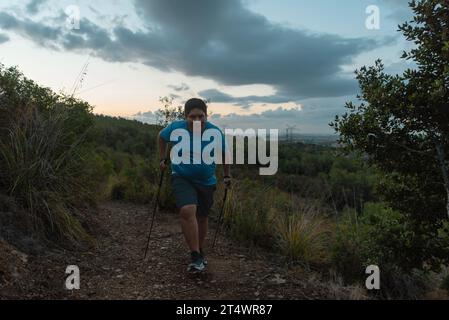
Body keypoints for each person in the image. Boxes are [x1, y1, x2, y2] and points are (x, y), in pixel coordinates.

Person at [158, 98, 231, 272]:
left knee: (202, 217)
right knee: (187, 210)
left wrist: (227, 176)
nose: (197, 120)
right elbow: (161, 137)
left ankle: (199, 249)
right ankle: (195, 255)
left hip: (206, 181)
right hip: (181, 176)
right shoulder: (176, 128)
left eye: (201, 116)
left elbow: (225, 153)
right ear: (186, 117)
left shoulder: (215, 132)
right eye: (193, 117)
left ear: (206, 116)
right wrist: (163, 158)